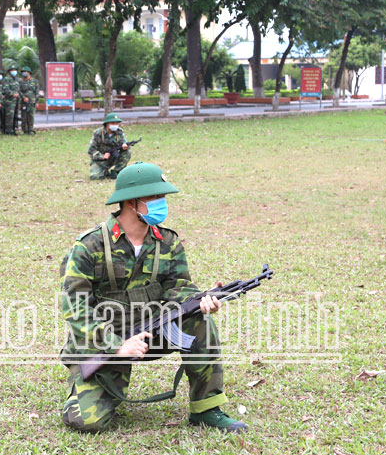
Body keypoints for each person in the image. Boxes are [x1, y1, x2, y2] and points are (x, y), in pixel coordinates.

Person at [59, 162, 247, 433]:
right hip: (104, 341)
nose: (162, 203)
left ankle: (206, 409)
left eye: (163, 197)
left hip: (152, 332)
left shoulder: (167, 242)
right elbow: (75, 309)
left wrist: (202, 300)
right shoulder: (90, 246)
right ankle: (95, 387)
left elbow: (179, 287)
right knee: (87, 421)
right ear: (131, 202)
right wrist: (116, 346)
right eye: (155, 197)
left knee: (199, 321)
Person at [88, 113, 131, 180]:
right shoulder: (98, 133)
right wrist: (102, 156)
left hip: (114, 157)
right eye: (113, 123)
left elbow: (124, 143)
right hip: (100, 160)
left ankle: (117, 171)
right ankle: (105, 172)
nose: (115, 125)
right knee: (95, 177)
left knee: (127, 151)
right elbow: (91, 150)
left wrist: (125, 146)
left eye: (117, 123)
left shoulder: (119, 132)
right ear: (107, 124)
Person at [0, 62, 21, 135]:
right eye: (12, 70)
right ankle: (8, 130)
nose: (14, 71)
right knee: (9, 116)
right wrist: (12, 94)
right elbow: (5, 90)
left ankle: (13, 129)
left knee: (15, 115)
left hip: (16, 101)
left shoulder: (17, 80)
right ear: (9, 71)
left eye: (15, 70)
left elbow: (18, 90)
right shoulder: (6, 79)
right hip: (9, 101)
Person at [19, 66, 39, 135]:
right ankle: (25, 130)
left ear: (29, 73)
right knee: (24, 116)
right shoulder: (20, 82)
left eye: (25, 72)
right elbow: (19, 91)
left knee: (31, 116)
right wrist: (23, 97)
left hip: (32, 101)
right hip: (24, 102)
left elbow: (37, 92)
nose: (24, 73)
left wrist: (37, 102)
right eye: (23, 72)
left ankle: (31, 130)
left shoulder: (35, 81)